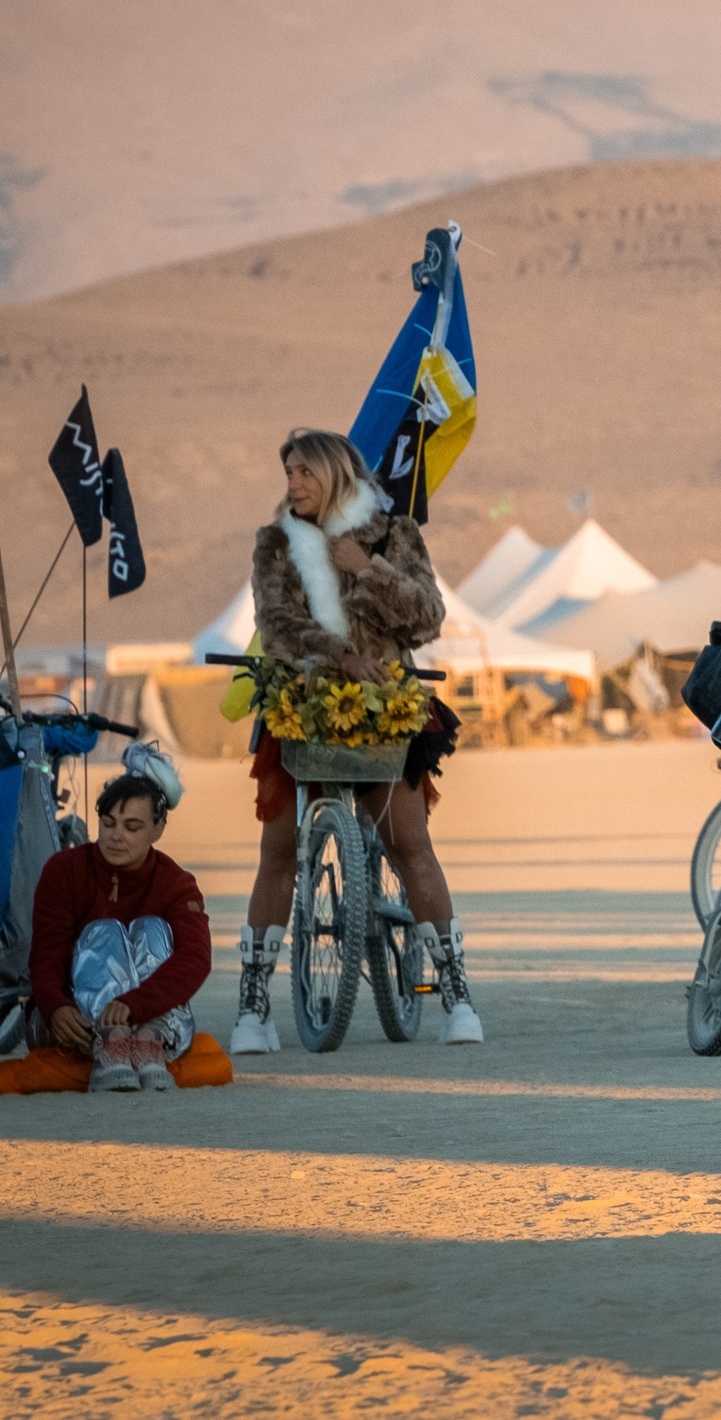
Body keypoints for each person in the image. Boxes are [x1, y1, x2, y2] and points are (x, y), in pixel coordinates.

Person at [229, 427, 482, 1052]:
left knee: (410, 843)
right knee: (278, 850)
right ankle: (253, 1006)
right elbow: (276, 623)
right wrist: (341, 658)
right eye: (289, 473)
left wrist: (367, 569)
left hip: (385, 711)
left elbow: (428, 618)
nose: (294, 484)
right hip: (302, 705)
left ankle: (455, 995)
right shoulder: (275, 543)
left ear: (337, 474)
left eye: (305, 472)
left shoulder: (394, 535)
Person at [0, 768, 234, 1093]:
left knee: (152, 928)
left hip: (152, 1022)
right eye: (108, 823)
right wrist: (56, 1006)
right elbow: (46, 956)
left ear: (158, 828)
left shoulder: (176, 884)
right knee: (104, 932)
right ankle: (112, 1045)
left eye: (132, 827)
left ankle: (147, 1045)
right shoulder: (64, 870)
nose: (117, 836)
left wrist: (134, 1005)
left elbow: (195, 959)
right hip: (73, 1020)